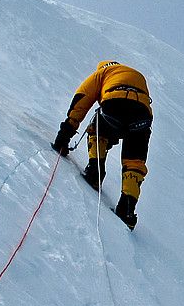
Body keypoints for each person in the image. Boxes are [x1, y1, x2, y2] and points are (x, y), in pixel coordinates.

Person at [52, 60, 152, 229]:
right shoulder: (137, 76)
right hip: (142, 116)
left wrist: (64, 135)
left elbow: (81, 100)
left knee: (97, 130)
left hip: (115, 103)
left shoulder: (103, 73)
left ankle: (95, 170)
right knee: (134, 161)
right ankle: (127, 208)